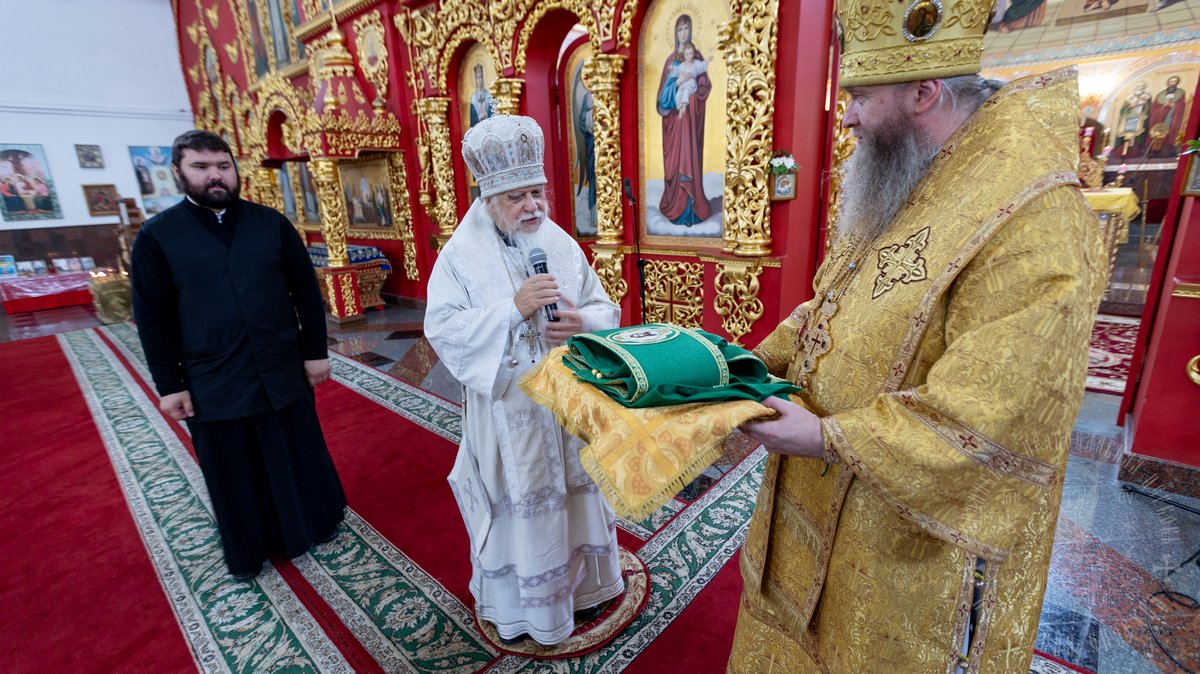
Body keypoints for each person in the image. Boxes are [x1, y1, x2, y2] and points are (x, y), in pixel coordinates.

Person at [727, 2, 1107, 670]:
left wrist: (825, 437)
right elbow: (829, 306)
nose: (846, 118)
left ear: (924, 92)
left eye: (859, 98)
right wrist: (741, 365)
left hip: (905, 548)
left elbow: (996, 415)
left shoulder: (1035, 215)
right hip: (807, 502)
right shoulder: (910, 169)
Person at [424, 114, 624, 646]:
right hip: (509, 414)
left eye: (537, 192)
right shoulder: (459, 258)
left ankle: (588, 588)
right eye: (517, 197)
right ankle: (532, 612)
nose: (533, 206)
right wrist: (512, 310)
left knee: (579, 494)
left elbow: (604, 308)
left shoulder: (559, 244)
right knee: (524, 505)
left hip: (568, 405)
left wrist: (584, 322)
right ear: (490, 199)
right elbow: (442, 329)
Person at [131, 130, 345, 582]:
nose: (215, 176)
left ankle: (313, 524)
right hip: (212, 375)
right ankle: (252, 547)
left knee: (296, 450)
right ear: (178, 172)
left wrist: (315, 352)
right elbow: (152, 318)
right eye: (201, 167)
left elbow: (306, 292)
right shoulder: (157, 236)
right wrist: (170, 386)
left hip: (280, 364)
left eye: (223, 166)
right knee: (233, 467)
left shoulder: (271, 224)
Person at [656, 14, 713, 226]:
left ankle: (692, 211)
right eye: (680, 29)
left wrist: (692, 97)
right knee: (675, 167)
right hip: (674, 126)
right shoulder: (670, 62)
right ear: (675, 33)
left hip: (690, 123)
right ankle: (676, 208)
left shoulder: (696, 58)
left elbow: (704, 86)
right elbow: (661, 100)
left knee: (690, 162)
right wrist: (678, 82)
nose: (683, 33)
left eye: (686, 28)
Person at [669, 42, 711, 114]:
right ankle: (680, 108)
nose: (689, 56)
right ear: (684, 55)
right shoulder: (682, 65)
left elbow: (702, 65)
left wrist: (707, 61)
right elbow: (677, 70)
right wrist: (672, 68)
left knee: (686, 92)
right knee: (678, 94)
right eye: (687, 54)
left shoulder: (696, 63)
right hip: (683, 84)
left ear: (694, 53)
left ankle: (684, 106)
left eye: (691, 53)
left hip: (691, 84)